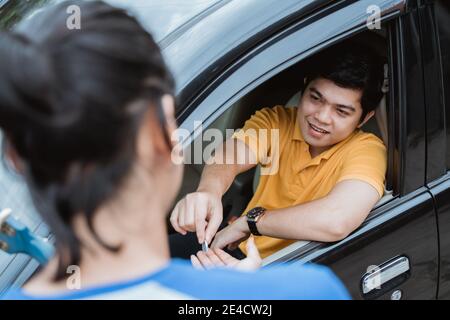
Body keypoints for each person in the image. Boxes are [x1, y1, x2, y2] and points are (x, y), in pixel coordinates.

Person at [0, 0, 349, 300]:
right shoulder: (305, 292)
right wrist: (241, 294)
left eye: (342, 110)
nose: (322, 116)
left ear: (15, 156)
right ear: (167, 139)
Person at [170, 40, 387, 263]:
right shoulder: (278, 120)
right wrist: (209, 191)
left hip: (287, 267)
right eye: (315, 98)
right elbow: (231, 156)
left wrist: (250, 223)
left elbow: (336, 219)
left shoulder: (367, 150)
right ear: (303, 89)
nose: (322, 117)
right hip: (235, 244)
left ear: (365, 117)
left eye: (341, 111)